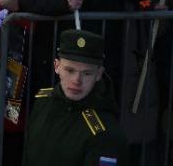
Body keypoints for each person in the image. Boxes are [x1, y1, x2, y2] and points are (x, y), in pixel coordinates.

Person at [22, 30, 128, 166]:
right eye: (70, 70)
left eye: (87, 73)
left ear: (98, 74)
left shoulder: (105, 134)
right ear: (57, 66)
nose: (76, 81)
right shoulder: (43, 100)